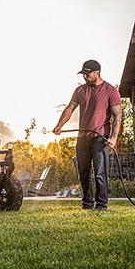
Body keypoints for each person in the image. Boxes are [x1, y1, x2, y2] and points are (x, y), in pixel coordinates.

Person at [52, 59, 121, 211]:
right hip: (83, 138)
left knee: (100, 174)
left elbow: (117, 116)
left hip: (100, 138)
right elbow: (70, 108)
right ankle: (87, 204)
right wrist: (59, 125)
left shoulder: (110, 91)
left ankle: (101, 205)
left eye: (87, 74)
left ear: (97, 73)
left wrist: (113, 137)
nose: (84, 77)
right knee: (83, 173)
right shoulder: (80, 90)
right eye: (83, 74)